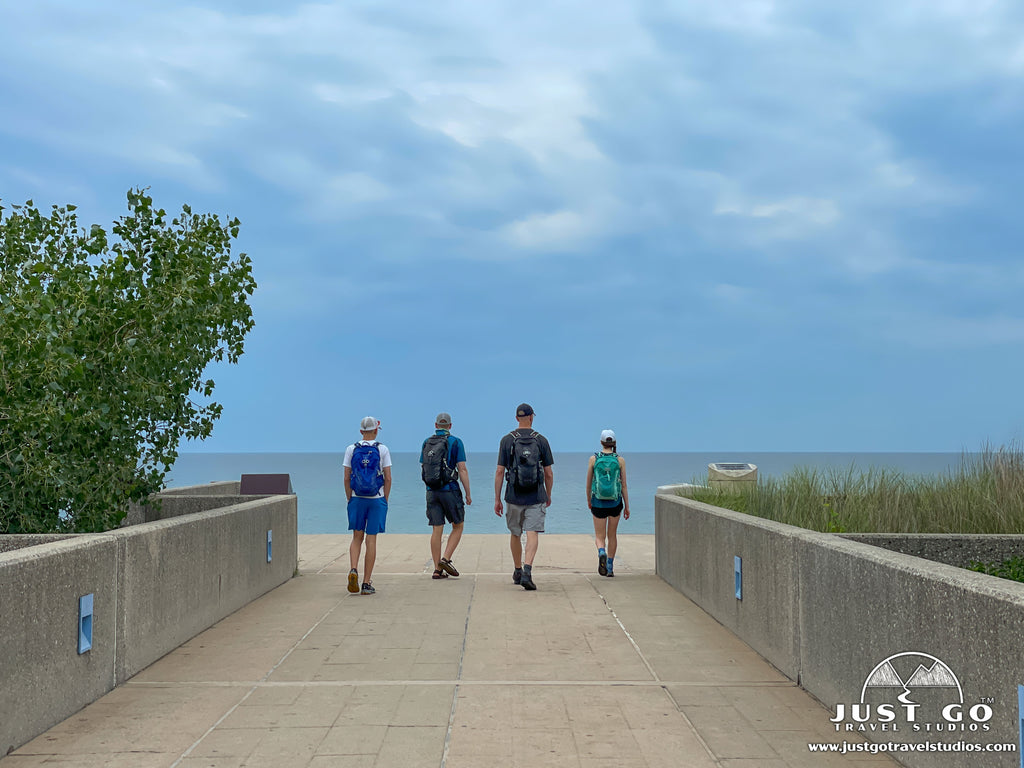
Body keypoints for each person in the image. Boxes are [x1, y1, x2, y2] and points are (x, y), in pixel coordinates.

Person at [494, 403, 554, 590]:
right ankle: (527, 570)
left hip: (513, 495)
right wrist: (548, 494)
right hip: (536, 495)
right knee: (532, 533)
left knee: (515, 533)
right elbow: (549, 473)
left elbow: (499, 471)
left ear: (516, 418)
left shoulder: (507, 440)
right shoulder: (541, 440)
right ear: (531, 417)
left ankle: (518, 570)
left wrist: (497, 499)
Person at [343, 416, 392, 595]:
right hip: (376, 499)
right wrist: (385, 499)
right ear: (376, 430)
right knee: (371, 540)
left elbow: (347, 477)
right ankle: (366, 582)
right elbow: (388, 478)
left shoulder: (351, 449)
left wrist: (350, 497)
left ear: (361, 431)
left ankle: (353, 569)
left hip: (357, 498)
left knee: (357, 537)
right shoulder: (382, 449)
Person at [420, 412, 472, 580]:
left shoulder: (426, 442)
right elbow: (462, 468)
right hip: (449, 489)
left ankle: (436, 569)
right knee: (458, 525)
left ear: (436, 425)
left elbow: (424, 467)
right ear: (450, 426)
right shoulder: (455, 442)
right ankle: (446, 559)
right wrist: (468, 493)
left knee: (437, 529)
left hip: (431, 490)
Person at [585, 429, 630, 577]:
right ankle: (609, 566)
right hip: (615, 503)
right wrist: (627, 507)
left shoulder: (593, 459)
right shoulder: (620, 460)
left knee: (599, 536)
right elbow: (623, 486)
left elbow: (588, 483)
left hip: (598, 502)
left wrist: (589, 500)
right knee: (612, 535)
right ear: (614, 443)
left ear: (601, 442)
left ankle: (601, 552)